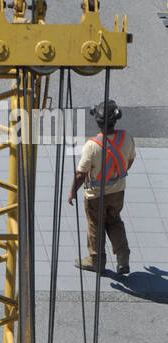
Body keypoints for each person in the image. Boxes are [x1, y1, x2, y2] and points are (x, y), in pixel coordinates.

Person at [68, 99, 134, 276]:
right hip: (118, 191)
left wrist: (72, 191)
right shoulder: (126, 138)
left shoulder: (92, 146)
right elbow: (130, 161)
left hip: (95, 196)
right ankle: (122, 257)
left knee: (95, 226)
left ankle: (95, 261)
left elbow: (81, 174)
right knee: (114, 221)